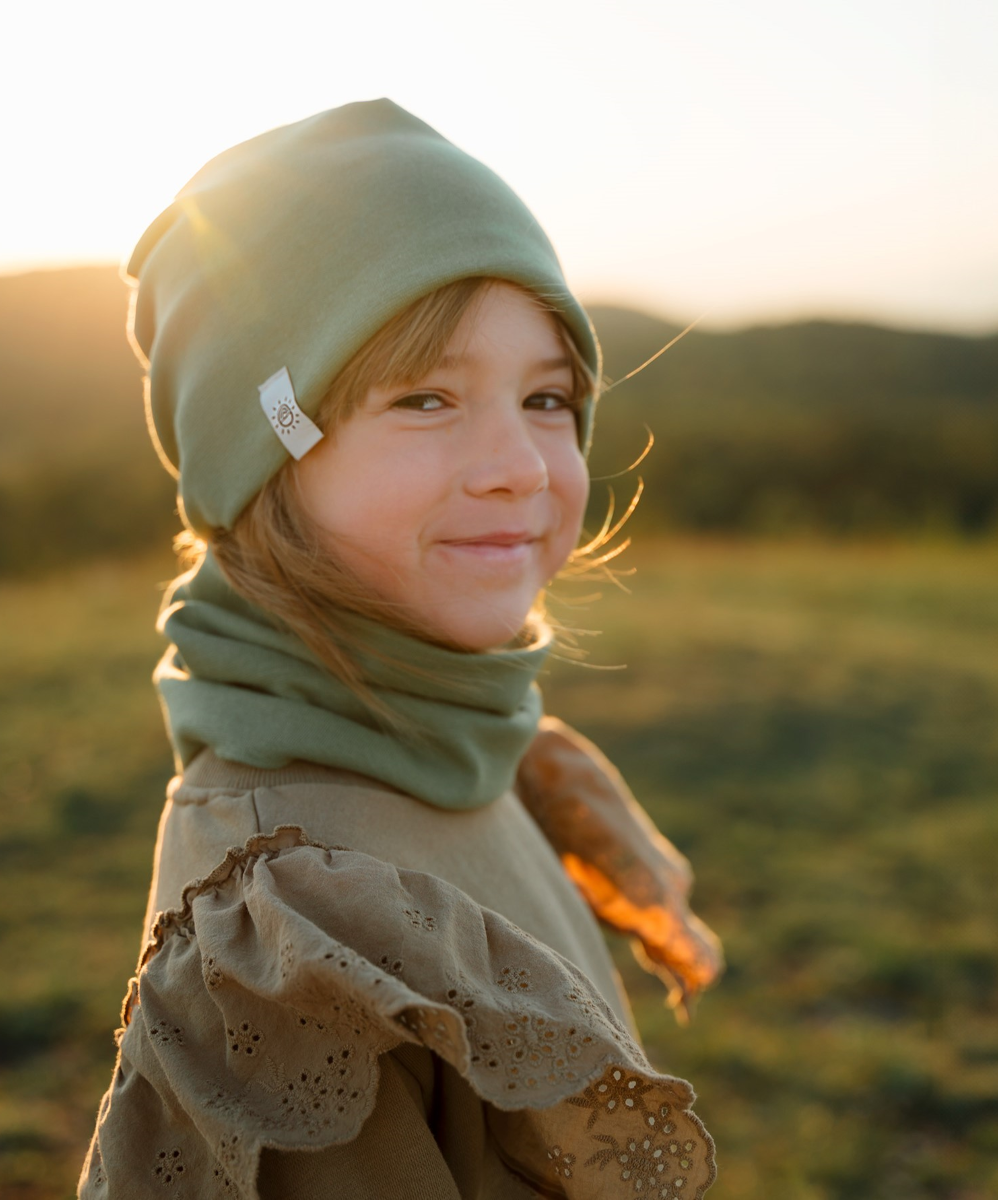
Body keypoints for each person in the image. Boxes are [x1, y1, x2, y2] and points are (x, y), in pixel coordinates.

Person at [78, 98, 721, 1199]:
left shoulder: (458, 740)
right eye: (424, 397)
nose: (520, 463)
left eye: (547, 397)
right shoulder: (286, 933)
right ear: (271, 449)